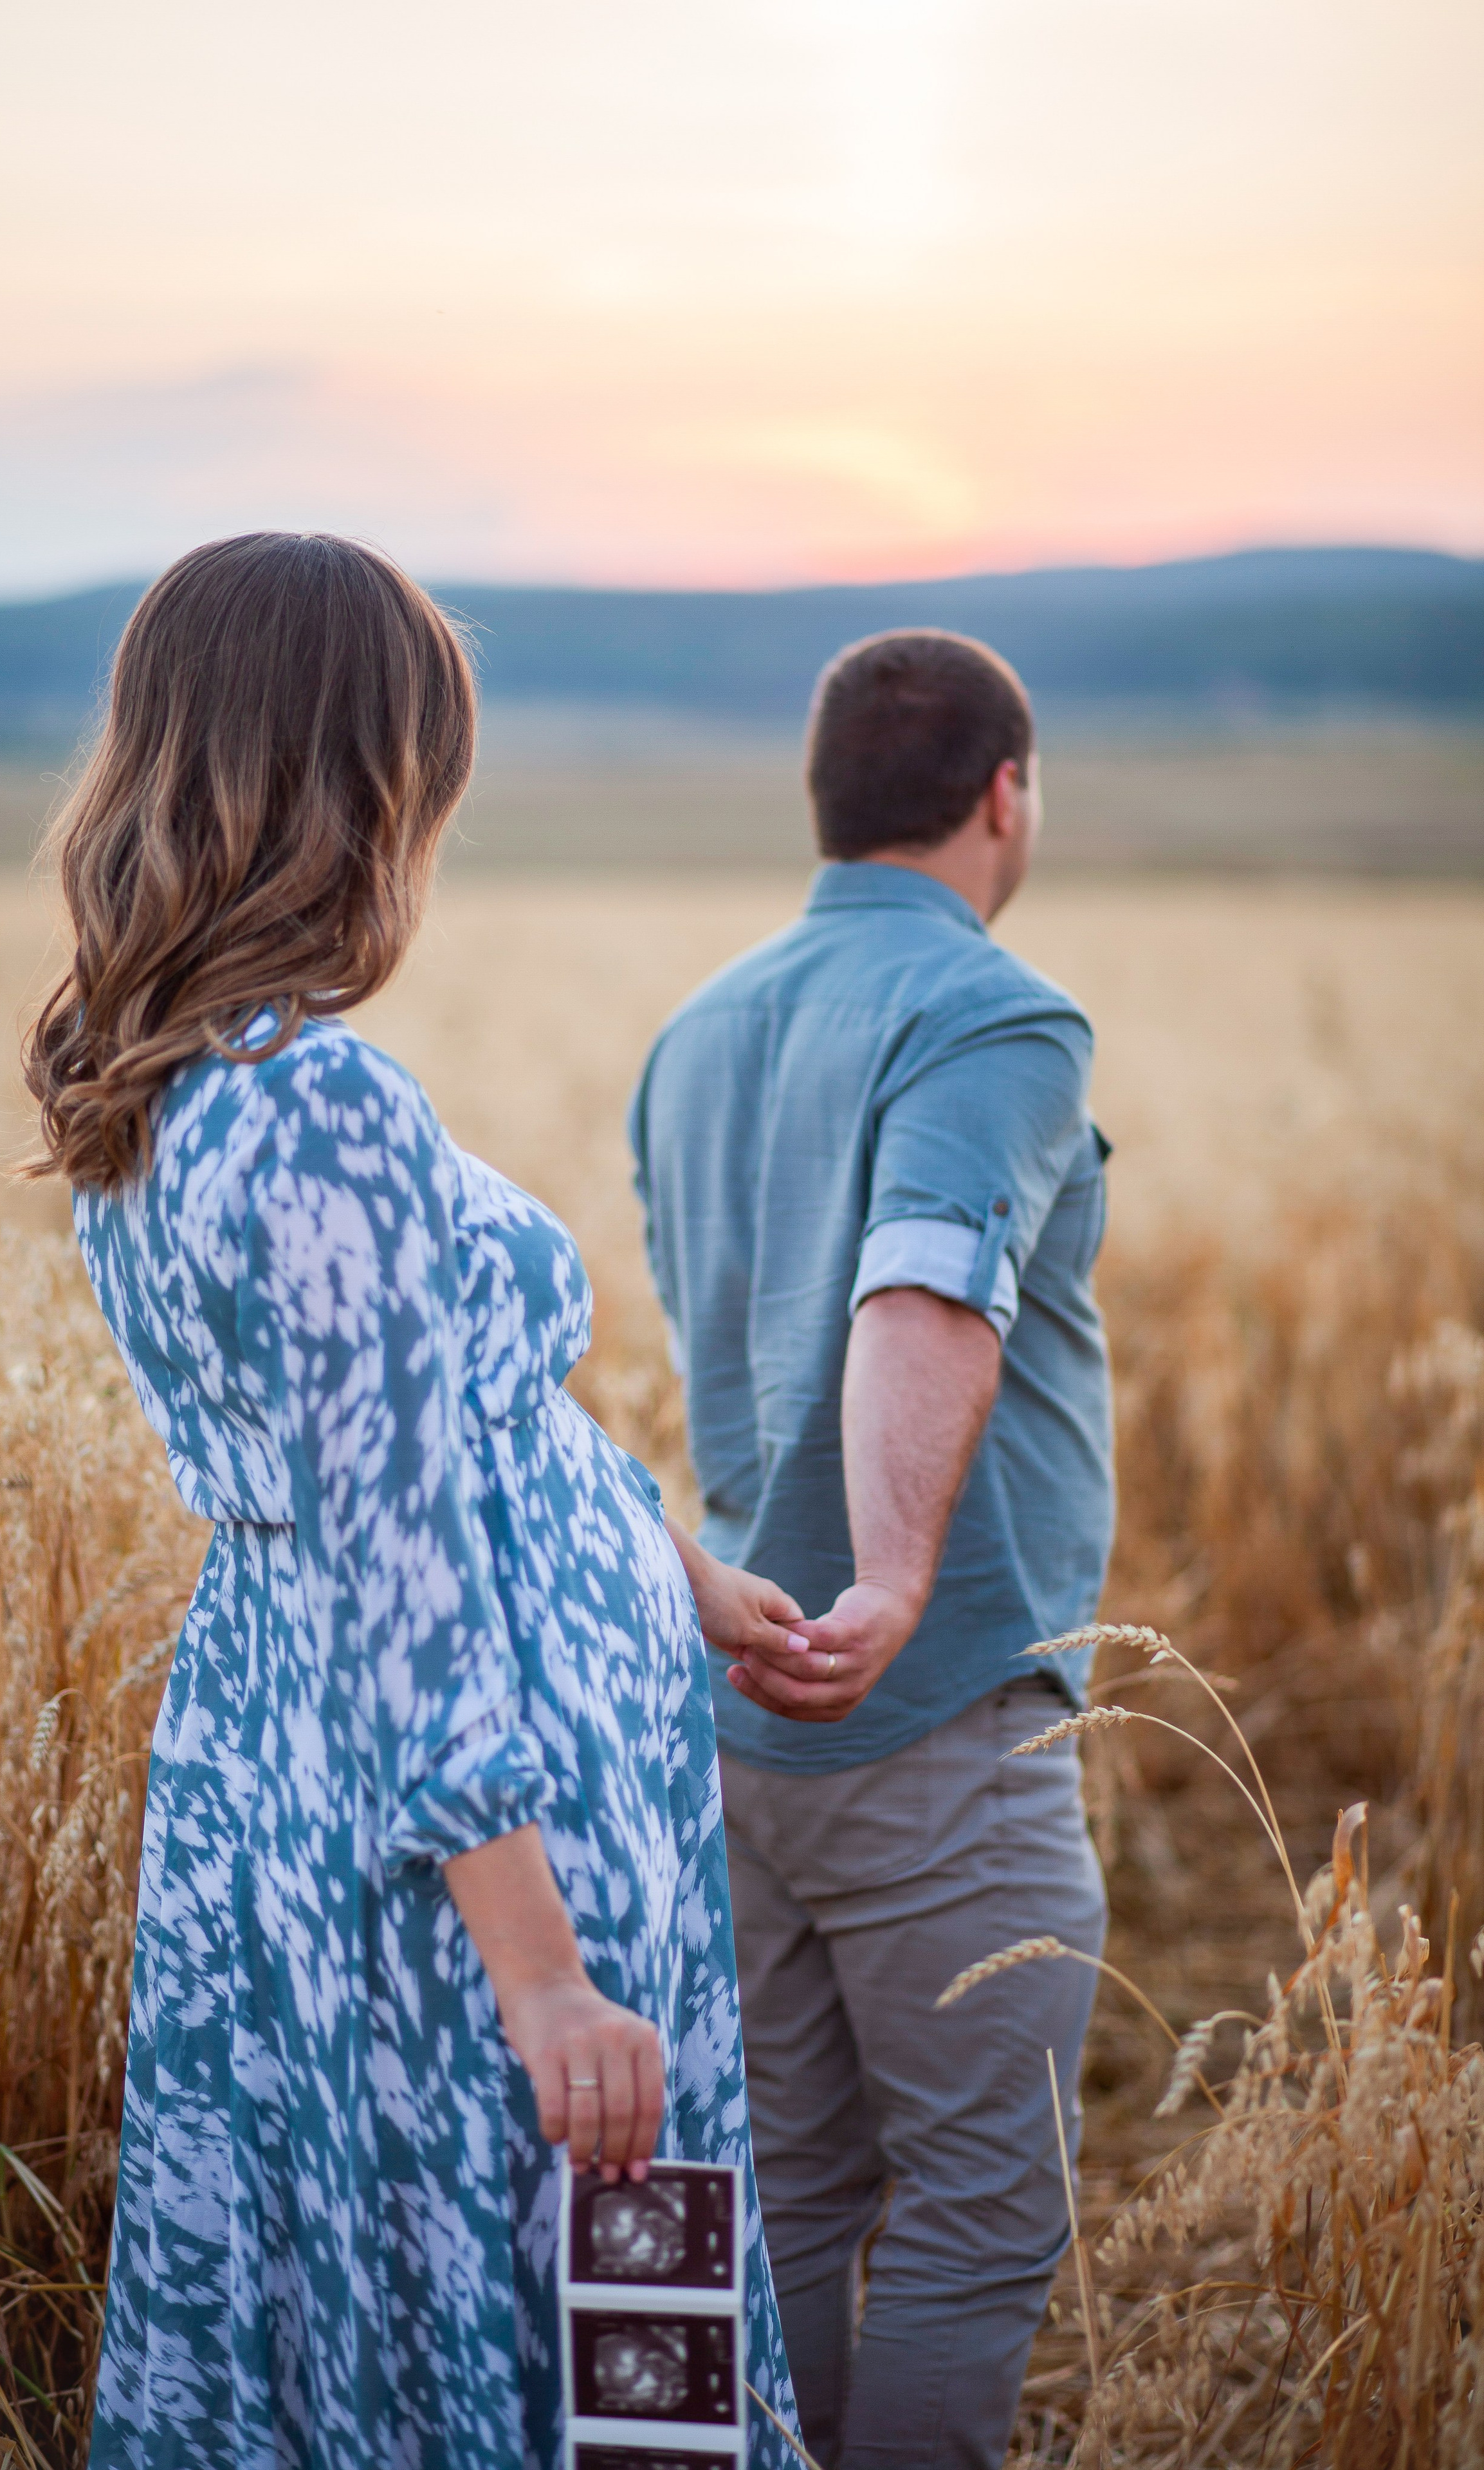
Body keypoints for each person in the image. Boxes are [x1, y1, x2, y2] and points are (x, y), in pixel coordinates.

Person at [23, 532, 800, 2470]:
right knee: (581, 2319)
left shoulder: (156, 1069)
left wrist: (673, 1566)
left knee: (375, 2275)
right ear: (362, 776)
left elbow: (404, 1438)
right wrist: (547, 1983)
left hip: (301, 1762)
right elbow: (399, 1567)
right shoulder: (319, 1105)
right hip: (488, 1827)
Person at [628, 629, 1113, 2470]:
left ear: (828, 800)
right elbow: (925, 1277)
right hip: (931, 1712)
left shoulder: (695, 1033)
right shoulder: (997, 1014)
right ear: (1005, 793)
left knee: (782, 2204)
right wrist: (898, 1584)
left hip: (732, 1709)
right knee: (980, 2223)